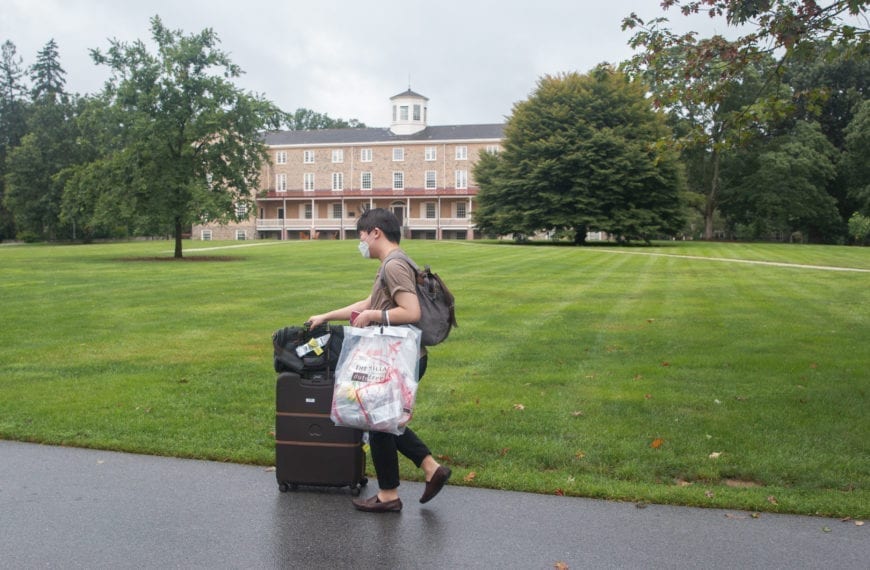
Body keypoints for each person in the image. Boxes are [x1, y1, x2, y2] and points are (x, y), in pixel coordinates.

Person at [307, 208, 451, 513]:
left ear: (376, 233)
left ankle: (393, 492)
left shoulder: (394, 265)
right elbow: (369, 302)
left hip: (400, 359)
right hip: (400, 358)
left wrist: (375, 316)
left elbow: (410, 311)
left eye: (361, 235)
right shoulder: (394, 263)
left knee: (379, 422)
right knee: (383, 422)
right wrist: (327, 315)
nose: (360, 242)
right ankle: (427, 470)